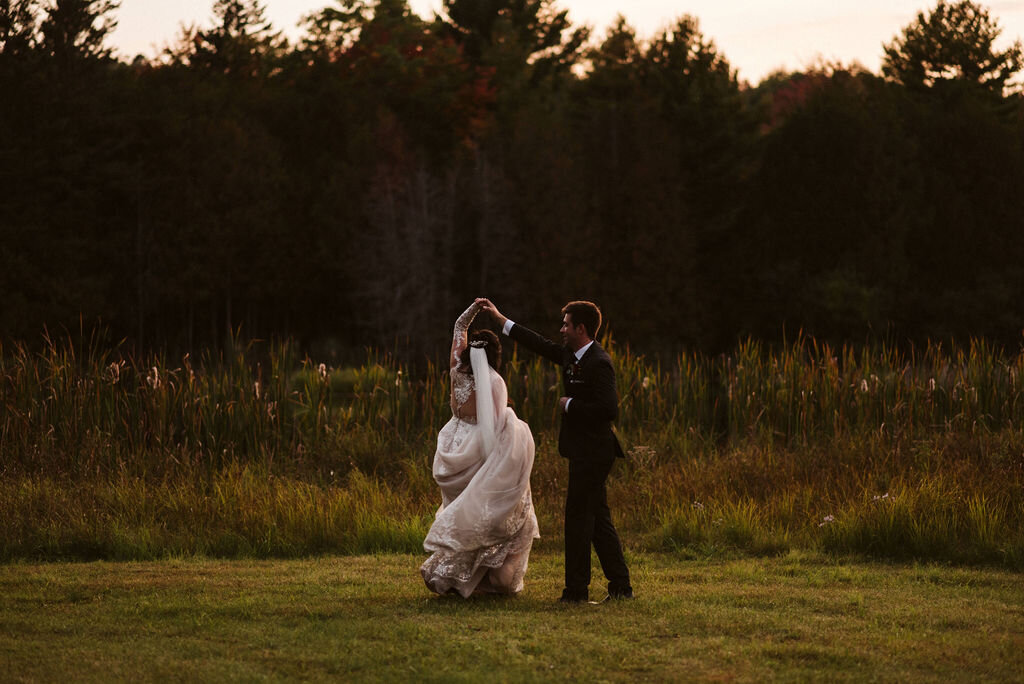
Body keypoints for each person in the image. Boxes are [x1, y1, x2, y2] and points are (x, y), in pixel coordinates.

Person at [478, 298, 633, 603]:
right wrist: (500, 320)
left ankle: (576, 592)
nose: (561, 329)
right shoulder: (570, 354)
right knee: (598, 520)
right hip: (581, 451)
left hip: (595, 452)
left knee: (578, 520)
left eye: (566, 324)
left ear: (581, 328)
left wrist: (570, 404)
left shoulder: (599, 362)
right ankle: (621, 587)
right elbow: (538, 343)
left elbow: (609, 409)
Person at [420, 300, 540, 597]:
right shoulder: (494, 382)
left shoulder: (455, 372)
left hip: (454, 443)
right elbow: (496, 425)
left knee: (464, 509)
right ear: (494, 356)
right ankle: (484, 577)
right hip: (478, 449)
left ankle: (457, 574)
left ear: (468, 352)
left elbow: (459, 327)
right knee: (484, 510)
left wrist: (474, 309)